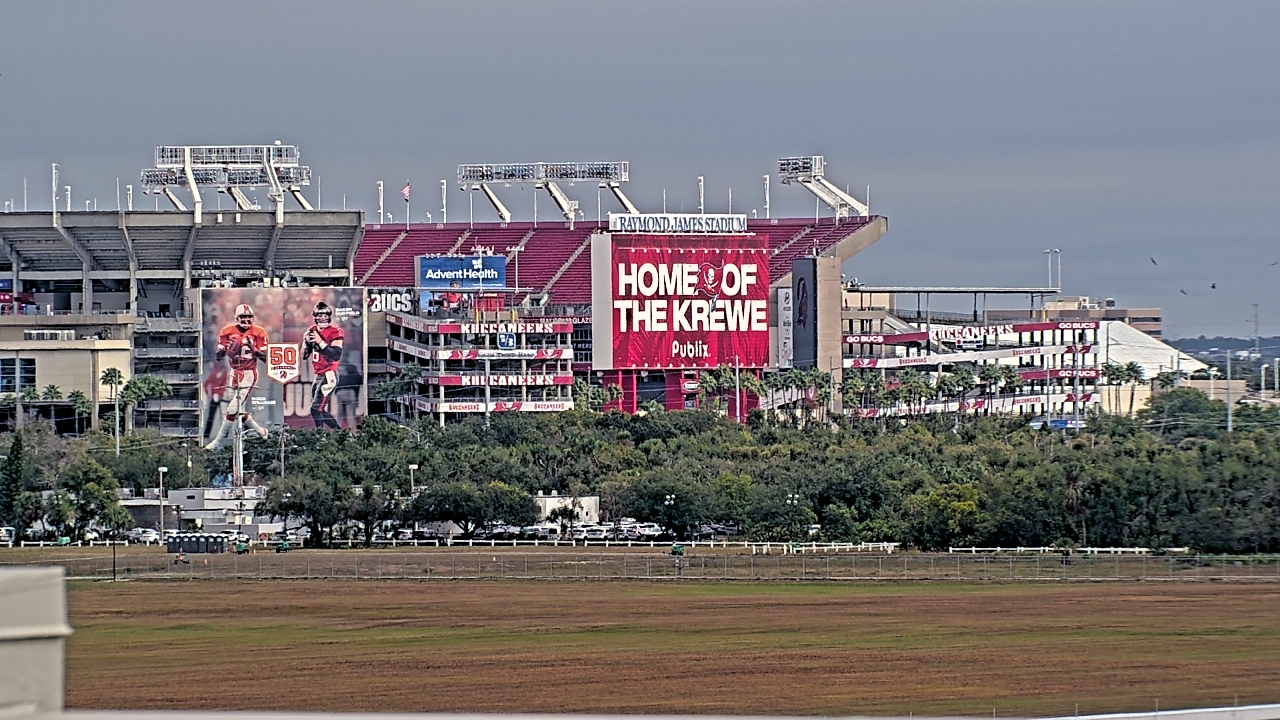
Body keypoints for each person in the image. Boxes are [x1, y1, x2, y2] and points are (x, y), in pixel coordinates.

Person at [205, 303, 270, 450]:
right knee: (238, 411)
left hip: (249, 373)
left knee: (232, 409)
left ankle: (217, 442)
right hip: (233, 373)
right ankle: (261, 431)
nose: (246, 320)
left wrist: (254, 349)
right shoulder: (227, 331)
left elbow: (266, 358)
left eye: (249, 317)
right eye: (243, 317)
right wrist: (228, 348)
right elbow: (218, 356)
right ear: (237, 318)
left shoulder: (259, 332)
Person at [303, 301, 344, 429]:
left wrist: (320, 342)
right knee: (318, 409)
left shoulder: (335, 331)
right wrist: (306, 343)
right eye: (320, 315)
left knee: (315, 409)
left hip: (329, 374)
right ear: (315, 316)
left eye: (325, 315)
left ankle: (320, 436)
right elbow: (304, 356)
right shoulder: (312, 330)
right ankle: (339, 432)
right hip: (319, 375)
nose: (323, 318)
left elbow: (336, 355)